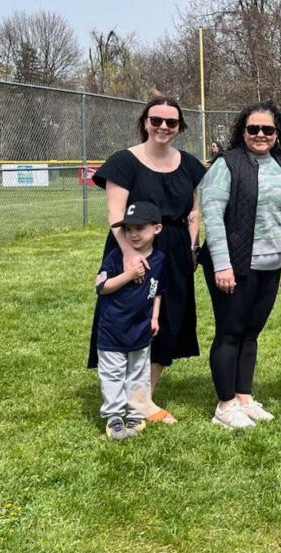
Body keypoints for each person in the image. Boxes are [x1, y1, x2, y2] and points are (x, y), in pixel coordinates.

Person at [88, 93, 206, 424]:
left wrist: (191, 248)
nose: (163, 127)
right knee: (130, 320)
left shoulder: (190, 165)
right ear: (145, 123)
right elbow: (115, 214)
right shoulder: (123, 163)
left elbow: (194, 212)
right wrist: (129, 255)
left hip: (176, 249)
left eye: (171, 122)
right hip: (134, 247)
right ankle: (123, 394)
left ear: (179, 127)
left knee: (169, 322)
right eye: (156, 120)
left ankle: (143, 398)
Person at [199, 101, 281, 429]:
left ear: (277, 132)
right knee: (230, 332)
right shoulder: (227, 164)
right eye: (252, 129)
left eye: (267, 129)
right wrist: (222, 265)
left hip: (268, 266)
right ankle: (225, 406)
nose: (259, 134)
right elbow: (212, 215)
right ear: (243, 131)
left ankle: (243, 397)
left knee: (251, 333)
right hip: (234, 265)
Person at [93, 201, 165, 440]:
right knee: (112, 374)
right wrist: (129, 274)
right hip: (112, 330)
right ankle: (114, 417)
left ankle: (135, 414)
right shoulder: (115, 257)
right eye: (128, 229)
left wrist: (155, 317)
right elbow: (101, 286)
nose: (132, 234)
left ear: (156, 229)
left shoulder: (159, 259)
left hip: (141, 330)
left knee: (138, 373)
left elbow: (158, 291)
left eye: (139, 228)